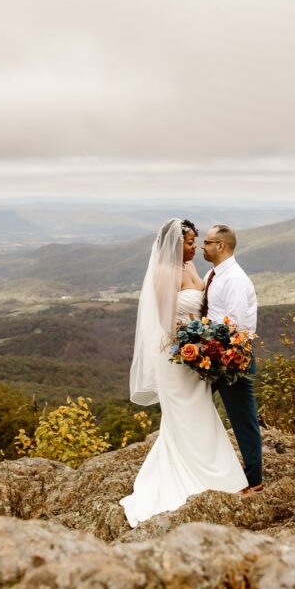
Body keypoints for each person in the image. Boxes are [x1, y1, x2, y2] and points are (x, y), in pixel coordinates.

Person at [120, 218, 249, 528]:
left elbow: (201, 309)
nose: (195, 247)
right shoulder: (164, 273)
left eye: (195, 241)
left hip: (195, 353)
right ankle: (199, 478)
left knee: (201, 412)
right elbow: (164, 321)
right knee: (187, 416)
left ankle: (220, 475)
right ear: (176, 245)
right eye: (190, 242)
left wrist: (208, 341)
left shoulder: (190, 269)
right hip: (173, 356)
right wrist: (192, 342)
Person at [201, 224, 264, 493]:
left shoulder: (235, 280)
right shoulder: (212, 275)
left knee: (243, 419)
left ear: (221, 246)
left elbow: (235, 328)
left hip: (232, 358)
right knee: (193, 405)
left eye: (207, 241)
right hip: (212, 357)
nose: (203, 246)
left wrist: (215, 349)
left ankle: (254, 480)